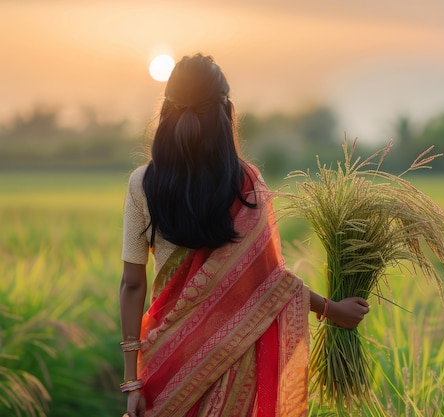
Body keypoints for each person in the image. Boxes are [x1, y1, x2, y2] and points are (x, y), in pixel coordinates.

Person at [119, 53, 370, 417]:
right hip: (233, 358)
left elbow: (132, 285)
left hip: (166, 360)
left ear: (166, 112)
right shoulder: (246, 182)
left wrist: (132, 381)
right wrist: (332, 311)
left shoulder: (143, 183)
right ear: (226, 113)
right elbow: (272, 282)